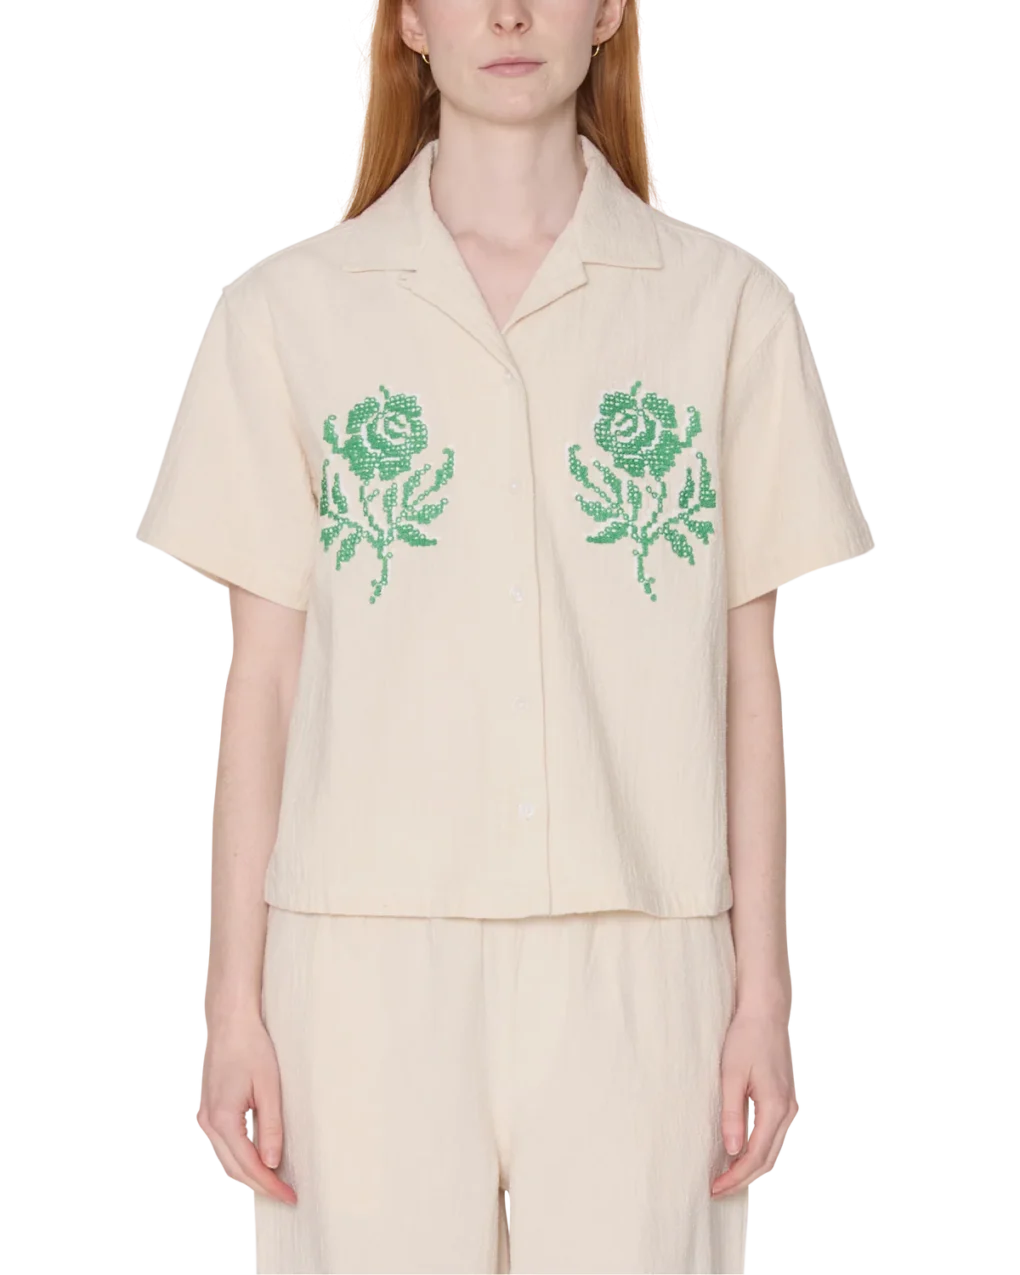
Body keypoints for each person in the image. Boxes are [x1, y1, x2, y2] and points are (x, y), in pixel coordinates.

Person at [135, 2, 876, 1272]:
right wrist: (232, 1002)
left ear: (613, 11)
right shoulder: (288, 311)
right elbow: (260, 682)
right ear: (411, 23)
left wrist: (764, 993)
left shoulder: (725, 307)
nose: (512, 13)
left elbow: (748, 680)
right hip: (362, 952)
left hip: (643, 945)